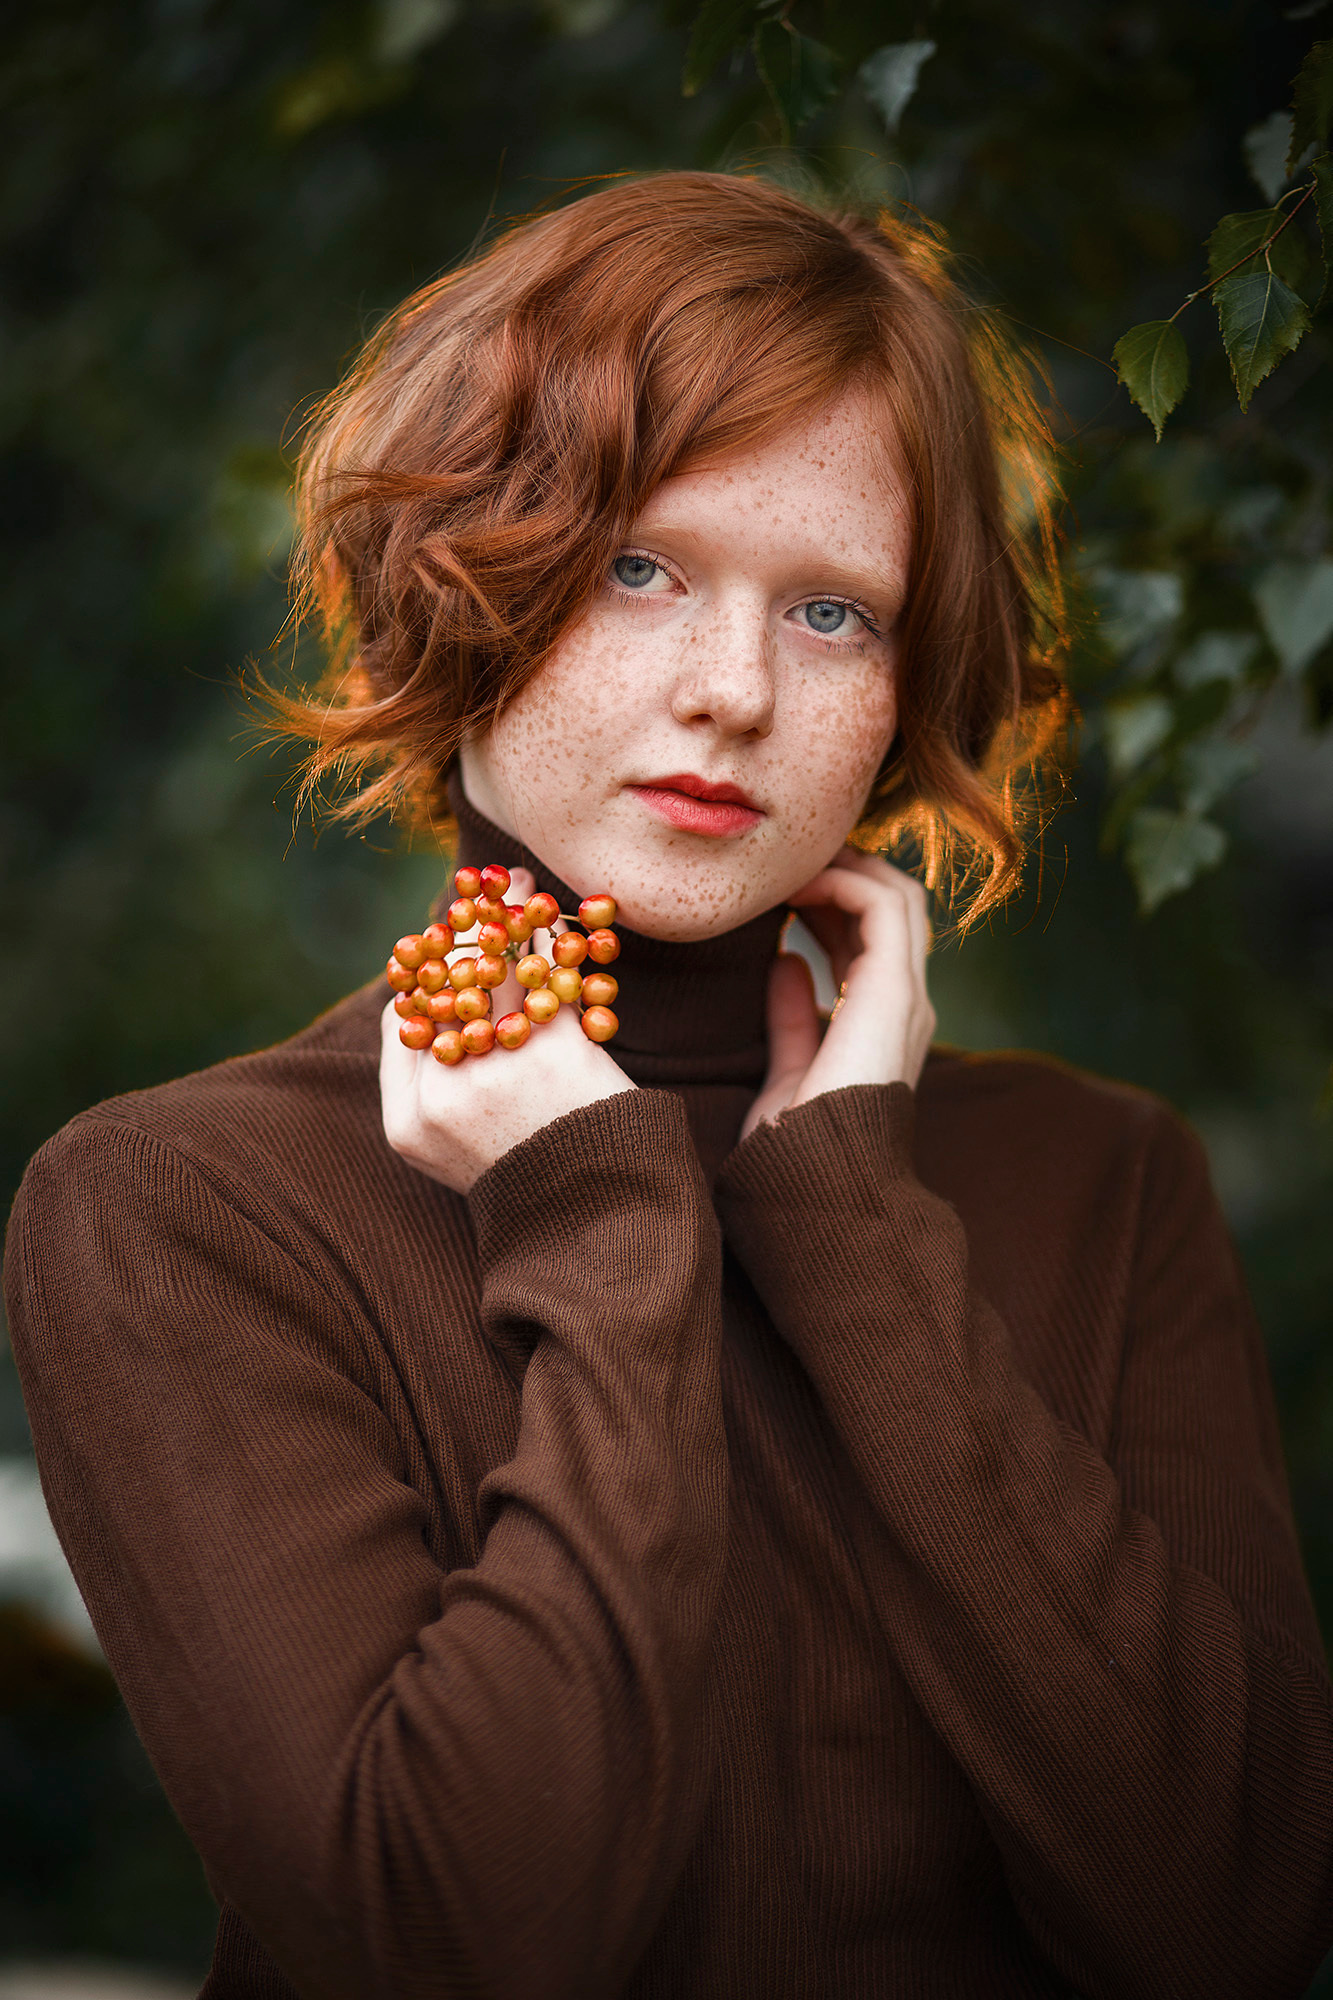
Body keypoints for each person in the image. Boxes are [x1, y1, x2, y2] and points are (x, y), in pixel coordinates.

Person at [5, 171, 1332, 2000]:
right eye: (641, 567)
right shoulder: (181, 1205)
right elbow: (448, 1942)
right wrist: (601, 1217)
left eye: (834, 614)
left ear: (905, 683)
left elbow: (1235, 1927)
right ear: (462, 568)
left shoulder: (1098, 1182)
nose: (731, 689)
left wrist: (860, 1237)